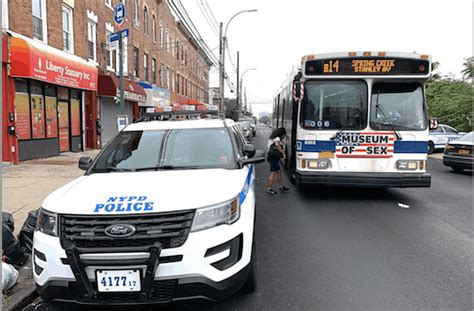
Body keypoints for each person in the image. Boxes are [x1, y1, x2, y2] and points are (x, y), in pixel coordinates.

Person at [266, 127, 290, 194]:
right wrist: (283, 153)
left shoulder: (273, 137)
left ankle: (281, 187)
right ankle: (269, 189)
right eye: (284, 135)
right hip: (272, 157)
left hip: (272, 157)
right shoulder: (277, 138)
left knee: (279, 172)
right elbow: (277, 145)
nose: (284, 136)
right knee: (273, 172)